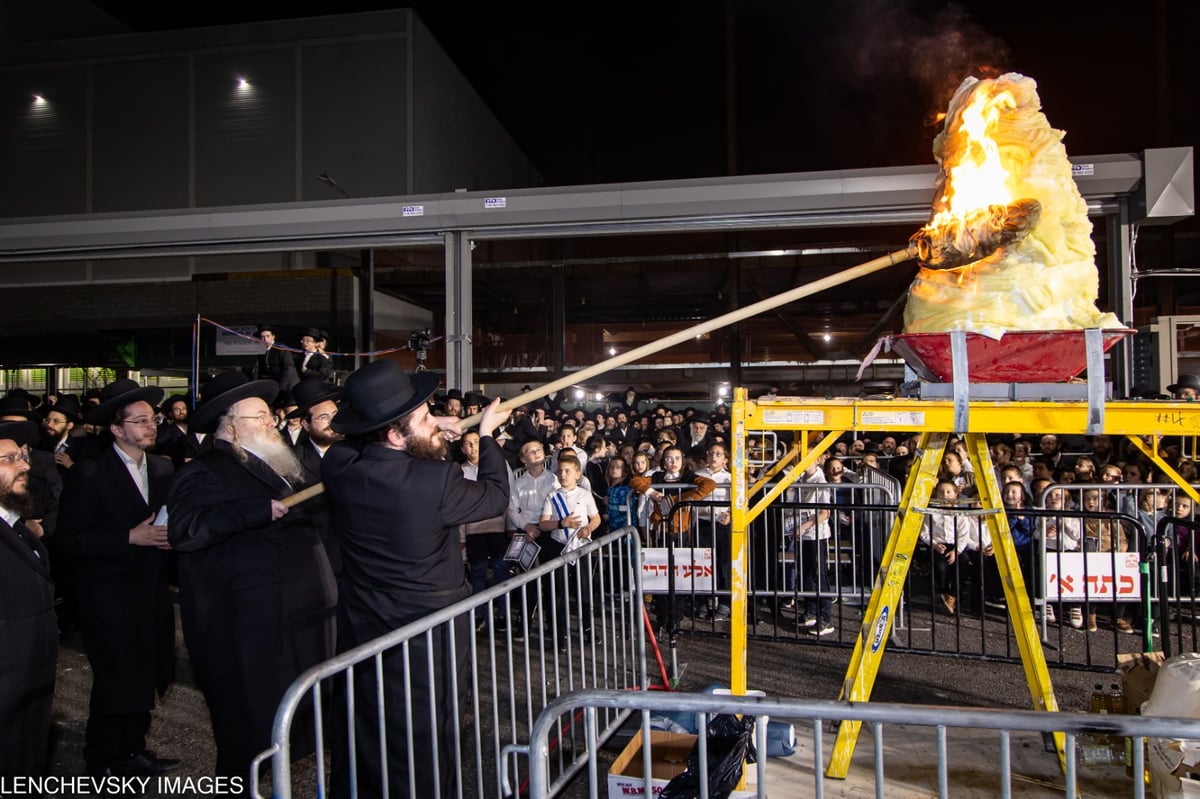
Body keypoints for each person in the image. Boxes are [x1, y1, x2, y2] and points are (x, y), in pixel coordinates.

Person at [321, 359, 509, 799]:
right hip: (426, 629)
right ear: (393, 434)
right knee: (427, 725)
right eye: (425, 417)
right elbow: (496, 495)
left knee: (368, 718)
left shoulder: (340, 465)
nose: (435, 422)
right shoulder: (434, 480)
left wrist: (427, 425)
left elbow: (350, 445)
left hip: (365, 619)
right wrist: (487, 435)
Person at [167, 371, 337, 778]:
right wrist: (257, 511)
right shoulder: (205, 470)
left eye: (268, 415)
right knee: (247, 724)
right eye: (259, 417)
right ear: (230, 424)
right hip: (249, 623)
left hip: (296, 612)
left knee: (290, 716)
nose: (271, 423)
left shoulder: (280, 465)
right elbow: (186, 530)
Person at [57, 379, 178, 778]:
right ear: (116, 428)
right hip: (108, 597)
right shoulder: (91, 472)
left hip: (152, 590)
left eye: (153, 419)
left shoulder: (162, 467)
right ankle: (103, 759)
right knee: (115, 680)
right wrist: (129, 536)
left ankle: (133, 750)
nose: (151, 426)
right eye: (140, 421)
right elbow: (70, 540)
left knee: (147, 673)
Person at [0, 420, 58, 780]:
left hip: (29, 690)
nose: (25, 465)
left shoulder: (20, 529)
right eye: (9, 459)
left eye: (22, 456)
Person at [538, 452, 601, 646]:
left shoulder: (584, 494)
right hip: (559, 547)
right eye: (560, 471)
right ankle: (560, 633)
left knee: (583, 591)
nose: (563, 474)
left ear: (577, 473)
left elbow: (596, 518)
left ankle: (588, 629)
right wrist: (561, 524)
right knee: (559, 593)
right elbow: (543, 524)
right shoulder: (552, 496)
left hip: (580, 548)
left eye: (567, 471)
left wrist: (589, 528)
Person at [288, 379, 343, 574]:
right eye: (323, 417)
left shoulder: (356, 452)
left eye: (335, 415)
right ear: (306, 424)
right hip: (319, 560)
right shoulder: (290, 463)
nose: (332, 422)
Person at [460, 429, 514, 625]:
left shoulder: (500, 465)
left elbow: (510, 495)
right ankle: (478, 614)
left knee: (501, 570)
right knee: (477, 572)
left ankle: (503, 614)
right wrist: (462, 537)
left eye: (477, 441)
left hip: (499, 528)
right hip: (474, 530)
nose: (473, 446)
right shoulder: (459, 471)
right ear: (462, 448)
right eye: (468, 443)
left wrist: (510, 525)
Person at [252, 324, 299, 392]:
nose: (265, 339)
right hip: (274, 384)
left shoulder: (281, 348)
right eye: (263, 337)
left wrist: (281, 387)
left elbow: (288, 368)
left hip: (287, 385)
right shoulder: (263, 350)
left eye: (268, 336)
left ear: (273, 337)